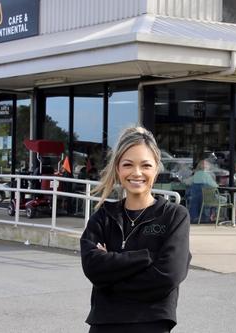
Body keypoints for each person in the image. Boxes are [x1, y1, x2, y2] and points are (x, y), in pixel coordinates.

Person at [80, 126, 191, 333]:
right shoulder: (103, 217)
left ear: (156, 168)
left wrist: (111, 276)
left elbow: (168, 275)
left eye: (146, 165)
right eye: (128, 164)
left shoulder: (174, 216)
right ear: (118, 169)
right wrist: (144, 258)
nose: (137, 173)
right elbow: (93, 267)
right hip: (104, 325)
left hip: (152, 325)